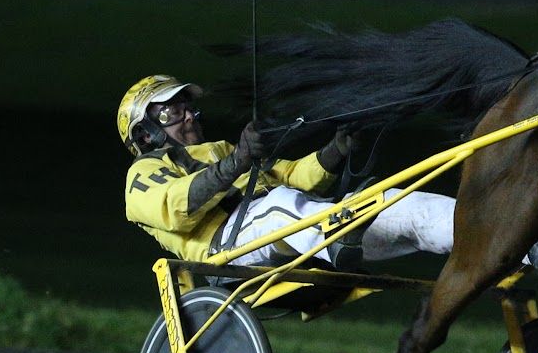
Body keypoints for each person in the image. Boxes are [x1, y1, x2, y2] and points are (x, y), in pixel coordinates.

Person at [116, 74, 456, 269]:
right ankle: (335, 236)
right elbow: (174, 207)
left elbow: (291, 176)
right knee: (278, 205)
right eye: (171, 113)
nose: (189, 116)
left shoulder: (220, 149)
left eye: (189, 108)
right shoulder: (143, 172)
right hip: (228, 248)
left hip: (296, 230)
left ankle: (474, 228)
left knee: (389, 201)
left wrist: (336, 150)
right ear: (145, 134)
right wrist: (236, 162)